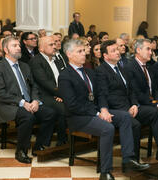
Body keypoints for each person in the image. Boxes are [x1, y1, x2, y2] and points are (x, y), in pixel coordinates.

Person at [58, 39, 149, 180]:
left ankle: (128, 159)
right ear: (69, 54)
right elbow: (72, 105)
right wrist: (98, 113)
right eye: (80, 51)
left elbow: (100, 93)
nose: (84, 54)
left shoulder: (89, 71)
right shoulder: (65, 76)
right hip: (77, 118)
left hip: (95, 111)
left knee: (125, 117)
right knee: (107, 128)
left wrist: (104, 109)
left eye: (84, 51)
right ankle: (105, 172)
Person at [0, 36, 55, 164]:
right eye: (14, 46)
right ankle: (21, 151)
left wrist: (35, 100)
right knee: (27, 117)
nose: (19, 48)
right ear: (5, 50)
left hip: (29, 102)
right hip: (9, 105)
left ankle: (39, 146)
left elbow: (34, 86)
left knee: (50, 113)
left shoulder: (25, 66)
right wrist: (22, 103)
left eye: (19, 45)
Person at [125, 39, 158, 160]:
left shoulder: (148, 67)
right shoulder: (130, 67)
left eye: (151, 49)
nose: (151, 52)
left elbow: (155, 89)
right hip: (136, 105)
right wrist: (155, 105)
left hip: (149, 103)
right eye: (148, 49)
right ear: (138, 50)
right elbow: (135, 92)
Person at [29, 36, 67, 146]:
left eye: (54, 44)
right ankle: (61, 142)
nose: (55, 47)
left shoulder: (57, 60)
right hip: (44, 95)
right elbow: (45, 83)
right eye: (51, 45)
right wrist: (62, 94)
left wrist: (64, 94)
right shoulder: (36, 61)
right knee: (63, 108)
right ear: (41, 49)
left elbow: (65, 78)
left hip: (58, 93)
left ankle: (70, 138)